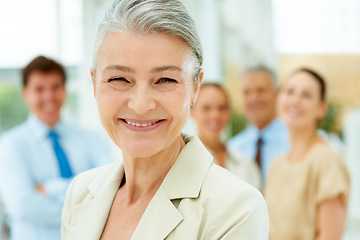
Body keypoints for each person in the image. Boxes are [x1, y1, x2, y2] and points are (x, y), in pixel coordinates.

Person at [61, 0, 269, 239]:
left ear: (196, 87)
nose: (140, 105)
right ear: (94, 84)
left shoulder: (235, 208)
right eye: (119, 79)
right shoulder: (80, 194)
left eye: (165, 80)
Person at [0, 56, 114, 240]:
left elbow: (111, 187)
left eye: (55, 87)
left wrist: (49, 188)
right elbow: (22, 206)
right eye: (39, 89)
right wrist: (86, 202)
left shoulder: (91, 138)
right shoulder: (11, 145)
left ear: (65, 89)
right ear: (25, 93)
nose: (49, 96)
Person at [264, 68, 350, 240]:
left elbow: (330, 237)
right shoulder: (277, 165)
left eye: (306, 95)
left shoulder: (326, 161)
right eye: (289, 91)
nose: (295, 100)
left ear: (321, 108)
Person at [191, 83, 260, 189]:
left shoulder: (245, 164)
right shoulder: (185, 162)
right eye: (206, 108)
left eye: (222, 108)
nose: (215, 115)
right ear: (192, 112)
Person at [228, 66, 290, 182]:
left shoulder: (294, 143)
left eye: (261, 90)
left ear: (277, 93)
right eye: (247, 92)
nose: (253, 99)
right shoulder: (234, 148)